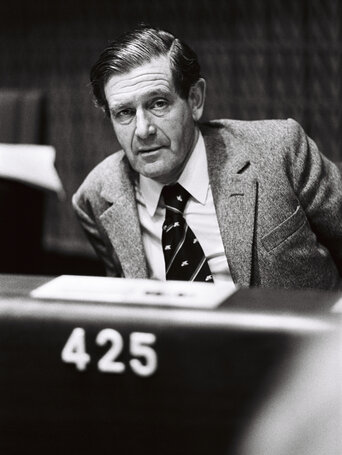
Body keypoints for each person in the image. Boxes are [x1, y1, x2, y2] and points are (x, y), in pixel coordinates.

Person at [72, 25, 342, 290]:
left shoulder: (280, 150)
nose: (143, 130)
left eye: (158, 103)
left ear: (195, 100)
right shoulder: (96, 196)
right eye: (125, 113)